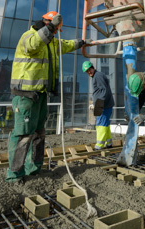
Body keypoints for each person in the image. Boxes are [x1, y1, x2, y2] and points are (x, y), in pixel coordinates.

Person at [6, 11, 91, 183]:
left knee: (39, 133)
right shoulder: (28, 36)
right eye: (54, 29)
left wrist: (81, 42)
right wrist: (51, 27)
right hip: (25, 95)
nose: (55, 33)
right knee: (23, 135)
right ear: (46, 23)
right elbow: (33, 44)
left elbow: (65, 45)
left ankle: (34, 169)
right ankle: (14, 175)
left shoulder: (51, 43)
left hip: (40, 95)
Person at [83, 61, 114, 150]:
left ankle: (99, 146)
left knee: (101, 124)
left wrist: (98, 103)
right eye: (87, 71)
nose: (89, 72)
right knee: (106, 124)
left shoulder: (98, 76)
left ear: (93, 67)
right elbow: (100, 91)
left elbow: (104, 91)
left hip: (103, 104)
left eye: (90, 70)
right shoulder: (96, 76)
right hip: (104, 104)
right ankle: (109, 143)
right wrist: (94, 103)